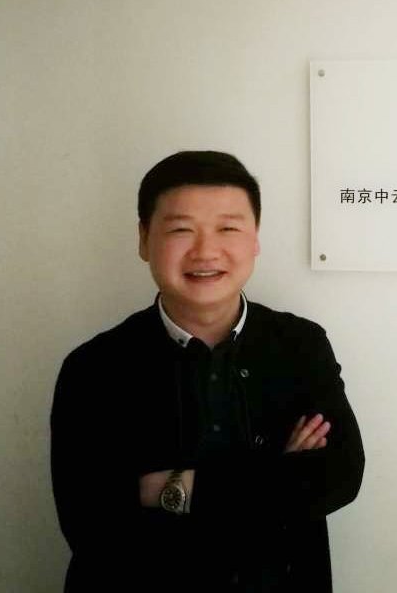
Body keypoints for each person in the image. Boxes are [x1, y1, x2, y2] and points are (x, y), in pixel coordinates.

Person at [51, 151, 364, 592]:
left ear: (255, 239)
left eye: (228, 228)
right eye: (181, 230)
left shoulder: (300, 345)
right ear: (144, 239)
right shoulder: (94, 368)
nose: (206, 251)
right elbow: (95, 528)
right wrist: (278, 478)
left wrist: (168, 490)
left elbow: (339, 477)